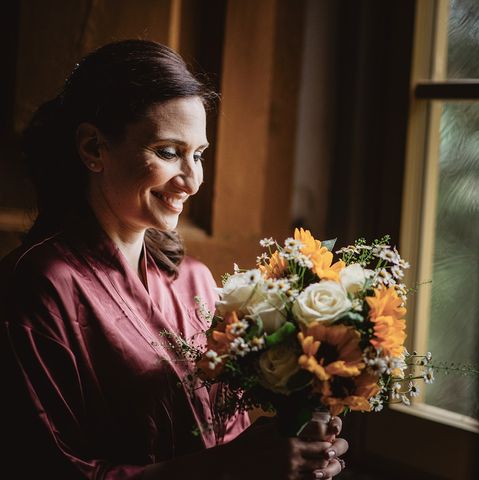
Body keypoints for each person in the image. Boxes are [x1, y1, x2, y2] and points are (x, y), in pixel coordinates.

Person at [0, 39, 348, 479]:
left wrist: (286, 443)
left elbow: (221, 439)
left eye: (198, 154)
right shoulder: (36, 288)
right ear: (93, 148)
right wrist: (233, 466)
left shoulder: (196, 282)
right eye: (168, 152)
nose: (192, 181)